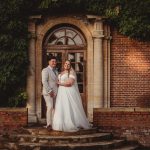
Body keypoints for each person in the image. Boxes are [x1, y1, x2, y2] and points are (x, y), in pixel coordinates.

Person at [52, 60, 91, 132]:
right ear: (64, 64)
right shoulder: (61, 73)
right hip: (61, 92)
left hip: (68, 92)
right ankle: (60, 123)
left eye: (69, 64)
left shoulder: (72, 73)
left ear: (70, 66)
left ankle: (71, 123)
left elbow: (70, 84)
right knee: (61, 107)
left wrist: (60, 83)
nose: (67, 65)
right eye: (66, 63)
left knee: (68, 106)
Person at [41, 56, 58, 130]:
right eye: (52, 61)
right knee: (50, 107)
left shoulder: (56, 71)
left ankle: (53, 123)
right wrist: (50, 91)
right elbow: (44, 81)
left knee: (54, 108)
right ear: (49, 62)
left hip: (56, 92)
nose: (54, 63)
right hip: (48, 92)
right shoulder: (45, 70)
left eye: (55, 61)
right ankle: (49, 124)